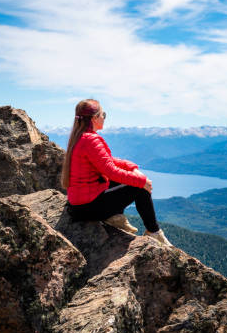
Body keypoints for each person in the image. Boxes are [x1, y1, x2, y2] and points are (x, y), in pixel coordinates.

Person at [61, 99, 172, 246]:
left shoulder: (80, 137)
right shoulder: (91, 140)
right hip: (87, 208)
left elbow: (107, 161)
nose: (104, 118)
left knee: (127, 181)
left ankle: (114, 216)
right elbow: (111, 171)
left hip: (78, 205)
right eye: (103, 114)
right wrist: (142, 181)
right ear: (94, 118)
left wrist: (130, 166)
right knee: (140, 188)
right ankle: (154, 231)